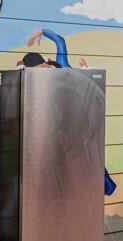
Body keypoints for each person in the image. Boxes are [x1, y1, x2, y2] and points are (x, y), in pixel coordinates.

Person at [21, 27, 117, 197]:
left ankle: (101, 187)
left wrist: (42, 31)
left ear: (45, 64)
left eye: (41, 67)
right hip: (60, 130)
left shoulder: (62, 67)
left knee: (91, 161)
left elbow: (61, 42)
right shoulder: (38, 83)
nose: (41, 71)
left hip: (79, 124)